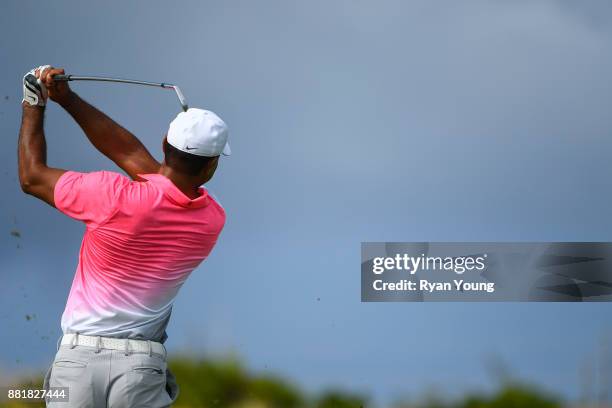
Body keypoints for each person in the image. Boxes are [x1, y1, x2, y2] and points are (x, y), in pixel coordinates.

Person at [18, 65, 230, 407]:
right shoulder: (211, 219)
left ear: (164, 145)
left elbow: (32, 177)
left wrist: (35, 103)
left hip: (77, 360)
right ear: (211, 166)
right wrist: (68, 100)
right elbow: (136, 161)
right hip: (140, 368)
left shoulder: (111, 196)